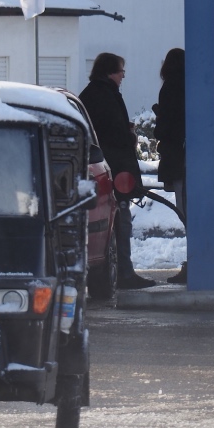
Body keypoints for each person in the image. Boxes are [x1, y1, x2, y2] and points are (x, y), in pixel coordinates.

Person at [79, 52, 156, 290]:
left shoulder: (90, 94)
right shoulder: (106, 95)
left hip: (105, 168)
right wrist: (129, 134)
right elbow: (115, 135)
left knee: (117, 221)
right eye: (121, 71)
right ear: (110, 71)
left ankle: (123, 270)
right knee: (121, 221)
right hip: (114, 171)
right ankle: (125, 272)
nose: (123, 76)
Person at [152, 48, 187, 285]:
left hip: (178, 158)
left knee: (186, 211)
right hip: (187, 156)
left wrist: (159, 116)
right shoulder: (191, 86)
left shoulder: (170, 87)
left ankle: (194, 262)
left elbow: (166, 127)